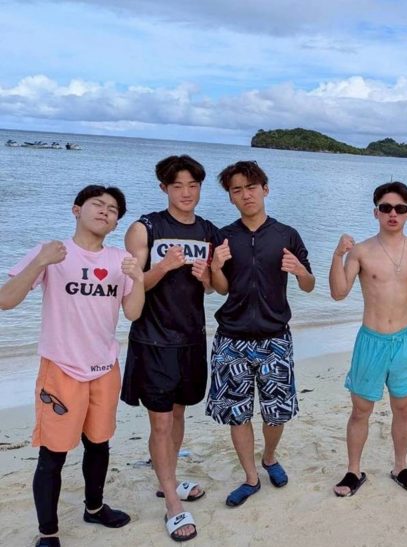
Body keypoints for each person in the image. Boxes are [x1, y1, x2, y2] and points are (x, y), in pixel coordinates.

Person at [0, 185, 144, 547]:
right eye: (98, 204)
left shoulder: (120, 260)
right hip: (61, 368)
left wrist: (139, 279)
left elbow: (132, 312)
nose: (105, 211)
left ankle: (94, 508)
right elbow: (6, 300)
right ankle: (48, 533)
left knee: (99, 444)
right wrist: (40, 262)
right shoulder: (52, 253)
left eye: (113, 209)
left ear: (116, 223)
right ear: (76, 209)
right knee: (53, 454)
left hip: (105, 368)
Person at [330, 181, 407, 496]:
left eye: (400, 209)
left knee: (403, 409)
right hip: (370, 341)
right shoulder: (361, 251)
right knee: (361, 410)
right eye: (385, 208)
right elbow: (338, 293)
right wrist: (337, 255)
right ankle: (353, 471)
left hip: (404, 342)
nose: (392, 214)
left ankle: (400, 467)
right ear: (376, 212)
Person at [120, 155, 221, 542]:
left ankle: (169, 480)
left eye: (192, 185)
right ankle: (173, 505)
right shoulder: (145, 227)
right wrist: (163, 266)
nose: (186, 193)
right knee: (160, 422)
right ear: (164, 188)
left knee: (178, 415)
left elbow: (214, 288)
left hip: (191, 338)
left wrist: (207, 276)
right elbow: (131, 287)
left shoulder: (208, 231)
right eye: (177, 186)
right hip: (153, 340)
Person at [207, 161, 315, 507]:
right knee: (237, 413)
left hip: (274, 337)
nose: (246, 195)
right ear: (230, 197)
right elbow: (221, 289)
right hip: (232, 338)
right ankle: (251, 477)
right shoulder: (224, 236)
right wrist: (215, 266)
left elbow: (309, 285)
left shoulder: (286, 234)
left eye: (251, 187)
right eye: (237, 190)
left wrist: (299, 270)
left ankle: (269, 457)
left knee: (276, 411)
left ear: (265, 190)